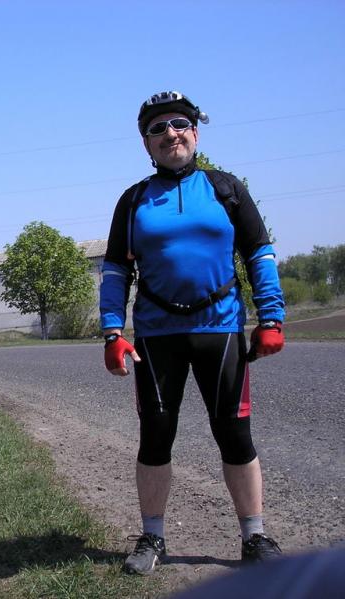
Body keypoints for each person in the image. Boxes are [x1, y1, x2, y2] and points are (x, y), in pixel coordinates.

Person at [99, 91, 286, 576]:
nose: (170, 134)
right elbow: (116, 270)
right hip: (156, 336)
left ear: (195, 133)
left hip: (220, 329)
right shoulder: (133, 200)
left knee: (234, 435)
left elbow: (259, 253)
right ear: (146, 143)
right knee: (156, 436)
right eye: (157, 129)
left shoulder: (226, 188)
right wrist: (112, 331)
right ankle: (152, 537)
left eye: (179, 124)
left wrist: (271, 318)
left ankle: (255, 536)